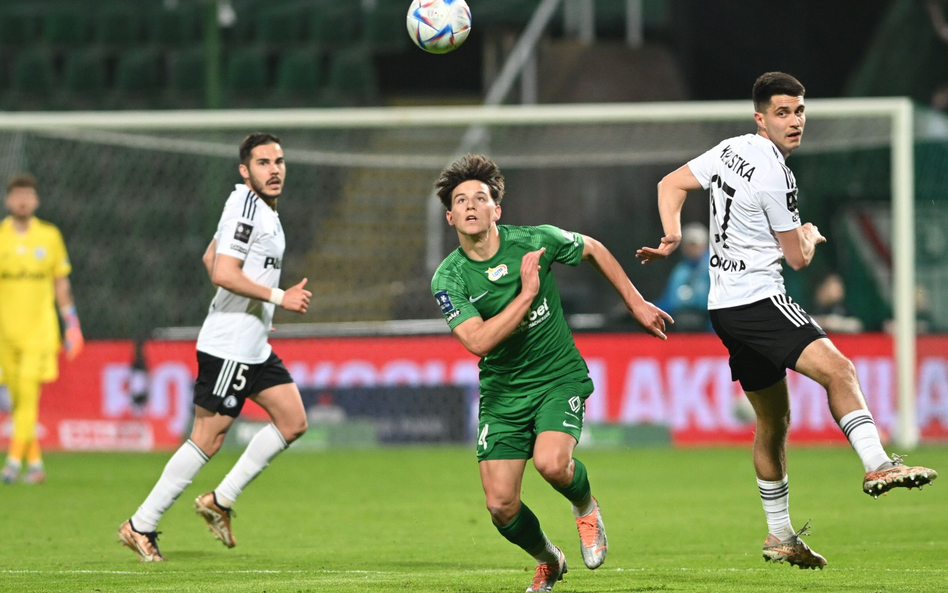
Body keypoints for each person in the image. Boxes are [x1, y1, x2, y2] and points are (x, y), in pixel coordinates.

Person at [636, 72, 937, 570]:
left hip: (724, 308)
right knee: (839, 371)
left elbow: (670, 183)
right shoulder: (777, 173)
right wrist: (812, 237)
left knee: (772, 421)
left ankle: (780, 536)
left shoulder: (730, 148)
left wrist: (671, 234)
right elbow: (796, 259)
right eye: (782, 112)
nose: (794, 121)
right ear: (761, 117)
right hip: (758, 301)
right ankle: (877, 464)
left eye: (799, 111)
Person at [430, 154, 671, 592]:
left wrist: (634, 302)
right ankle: (550, 559)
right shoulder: (449, 278)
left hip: (557, 377)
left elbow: (593, 248)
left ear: (496, 209)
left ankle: (585, 507)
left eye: (479, 198)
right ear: (449, 216)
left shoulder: (535, 240)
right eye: (460, 200)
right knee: (501, 505)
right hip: (503, 393)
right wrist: (526, 296)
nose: (470, 206)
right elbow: (478, 342)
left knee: (552, 464)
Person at [118, 132, 312, 561]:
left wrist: (259, 314)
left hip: (253, 342)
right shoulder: (246, 206)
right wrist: (278, 299)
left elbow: (211, 256)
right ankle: (141, 524)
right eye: (263, 163)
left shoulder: (262, 209)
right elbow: (223, 272)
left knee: (293, 420)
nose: (274, 169)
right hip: (229, 348)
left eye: (279, 161)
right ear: (245, 170)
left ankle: (219, 501)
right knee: (207, 439)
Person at [0, 173, 84, 485]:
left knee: (28, 393)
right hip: (6, 333)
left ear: (35, 200)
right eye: (17, 195)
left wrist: (71, 325)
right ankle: (35, 465)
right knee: (19, 399)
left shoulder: (49, 236)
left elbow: (61, 282)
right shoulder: (0, 236)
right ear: (9, 201)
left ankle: (11, 462)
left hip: (40, 330)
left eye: (28, 195)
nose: (22, 200)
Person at [654, 221, 711, 331]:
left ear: (704, 245)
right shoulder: (680, 270)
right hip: (679, 322)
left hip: (706, 323)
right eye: (688, 245)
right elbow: (669, 301)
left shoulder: (713, 268)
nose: (691, 249)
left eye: (695, 245)